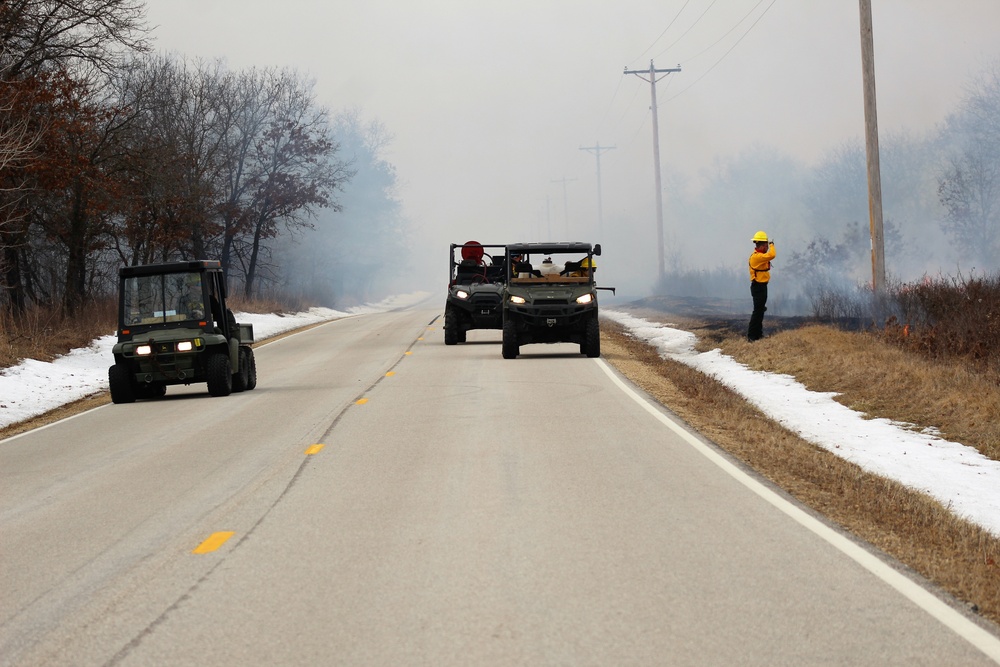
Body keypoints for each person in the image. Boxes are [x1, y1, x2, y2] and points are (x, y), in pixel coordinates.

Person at [747, 231, 776, 341]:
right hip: (758, 287)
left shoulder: (760, 256)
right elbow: (772, 255)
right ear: (763, 245)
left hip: (762, 286)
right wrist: (772, 244)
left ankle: (758, 335)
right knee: (757, 312)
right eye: (767, 245)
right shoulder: (757, 257)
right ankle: (752, 336)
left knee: (760, 311)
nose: (768, 247)